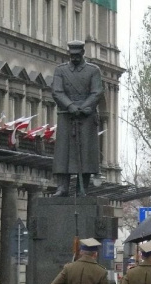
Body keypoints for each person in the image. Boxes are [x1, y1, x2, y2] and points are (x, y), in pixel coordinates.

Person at [51, 40, 104, 197]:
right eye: (71, 55)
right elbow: (57, 91)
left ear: (82, 53)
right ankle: (63, 187)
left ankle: (82, 188)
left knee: (86, 153)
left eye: (77, 55)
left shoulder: (93, 70)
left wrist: (82, 108)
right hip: (67, 115)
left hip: (86, 116)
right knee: (63, 152)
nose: (74, 58)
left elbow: (97, 92)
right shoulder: (60, 70)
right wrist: (70, 106)